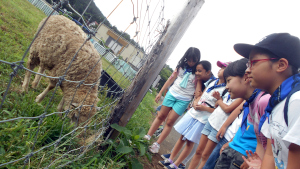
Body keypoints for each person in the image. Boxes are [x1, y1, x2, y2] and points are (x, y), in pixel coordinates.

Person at [234, 33, 300, 169]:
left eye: (253, 62)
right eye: (248, 63)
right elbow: (271, 154)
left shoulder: (296, 103)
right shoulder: (275, 104)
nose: (247, 70)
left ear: (281, 65)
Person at [160, 61, 227, 169]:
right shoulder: (213, 82)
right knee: (182, 137)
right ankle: (170, 159)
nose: (220, 69)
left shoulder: (225, 90)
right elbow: (202, 95)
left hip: (204, 118)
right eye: (220, 67)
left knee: (190, 142)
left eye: (223, 68)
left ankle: (176, 164)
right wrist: (196, 102)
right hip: (195, 112)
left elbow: (219, 110)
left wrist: (205, 108)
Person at [214, 58, 270, 169]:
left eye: (229, 80)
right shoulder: (250, 102)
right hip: (235, 147)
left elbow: (266, 142)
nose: (226, 86)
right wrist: (231, 142)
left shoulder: (263, 101)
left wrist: (254, 159)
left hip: (245, 154)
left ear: (245, 78)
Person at [144, 47, 201, 154]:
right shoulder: (181, 67)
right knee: (161, 116)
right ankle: (147, 136)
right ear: (186, 57)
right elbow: (171, 79)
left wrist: (196, 99)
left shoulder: (198, 73)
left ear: (198, 59)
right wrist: (161, 92)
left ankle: (157, 144)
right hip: (172, 94)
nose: (191, 62)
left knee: (170, 122)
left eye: (194, 60)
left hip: (184, 100)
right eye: (189, 60)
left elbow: (198, 90)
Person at [188, 61, 244, 169]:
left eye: (223, 68)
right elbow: (219, 105)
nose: (220, 69)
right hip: (211, 120)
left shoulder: (240, 95)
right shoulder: (227, 88)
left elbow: (227, 109)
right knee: (199, 150)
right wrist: (220, 102)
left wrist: (220, 100)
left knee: (205, 155)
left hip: (218, 126)